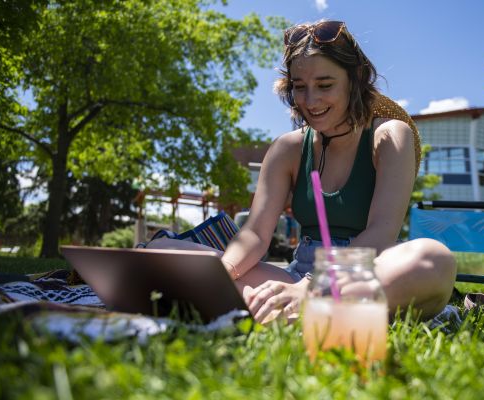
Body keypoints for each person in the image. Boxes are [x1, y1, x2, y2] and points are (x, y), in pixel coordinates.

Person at [147, 20, 456, 324]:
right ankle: (308, 310)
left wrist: (310, 289)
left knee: (434, 259)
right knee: (161, 251)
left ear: (356, 78)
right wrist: (226, 269)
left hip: (371, 269)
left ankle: (303, 307)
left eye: (325, 85)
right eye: (299, 87)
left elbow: (381, 232)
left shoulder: (389, 136)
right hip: (300, 273)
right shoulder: (287, 148)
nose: (310, 101)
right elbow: (255, 233)